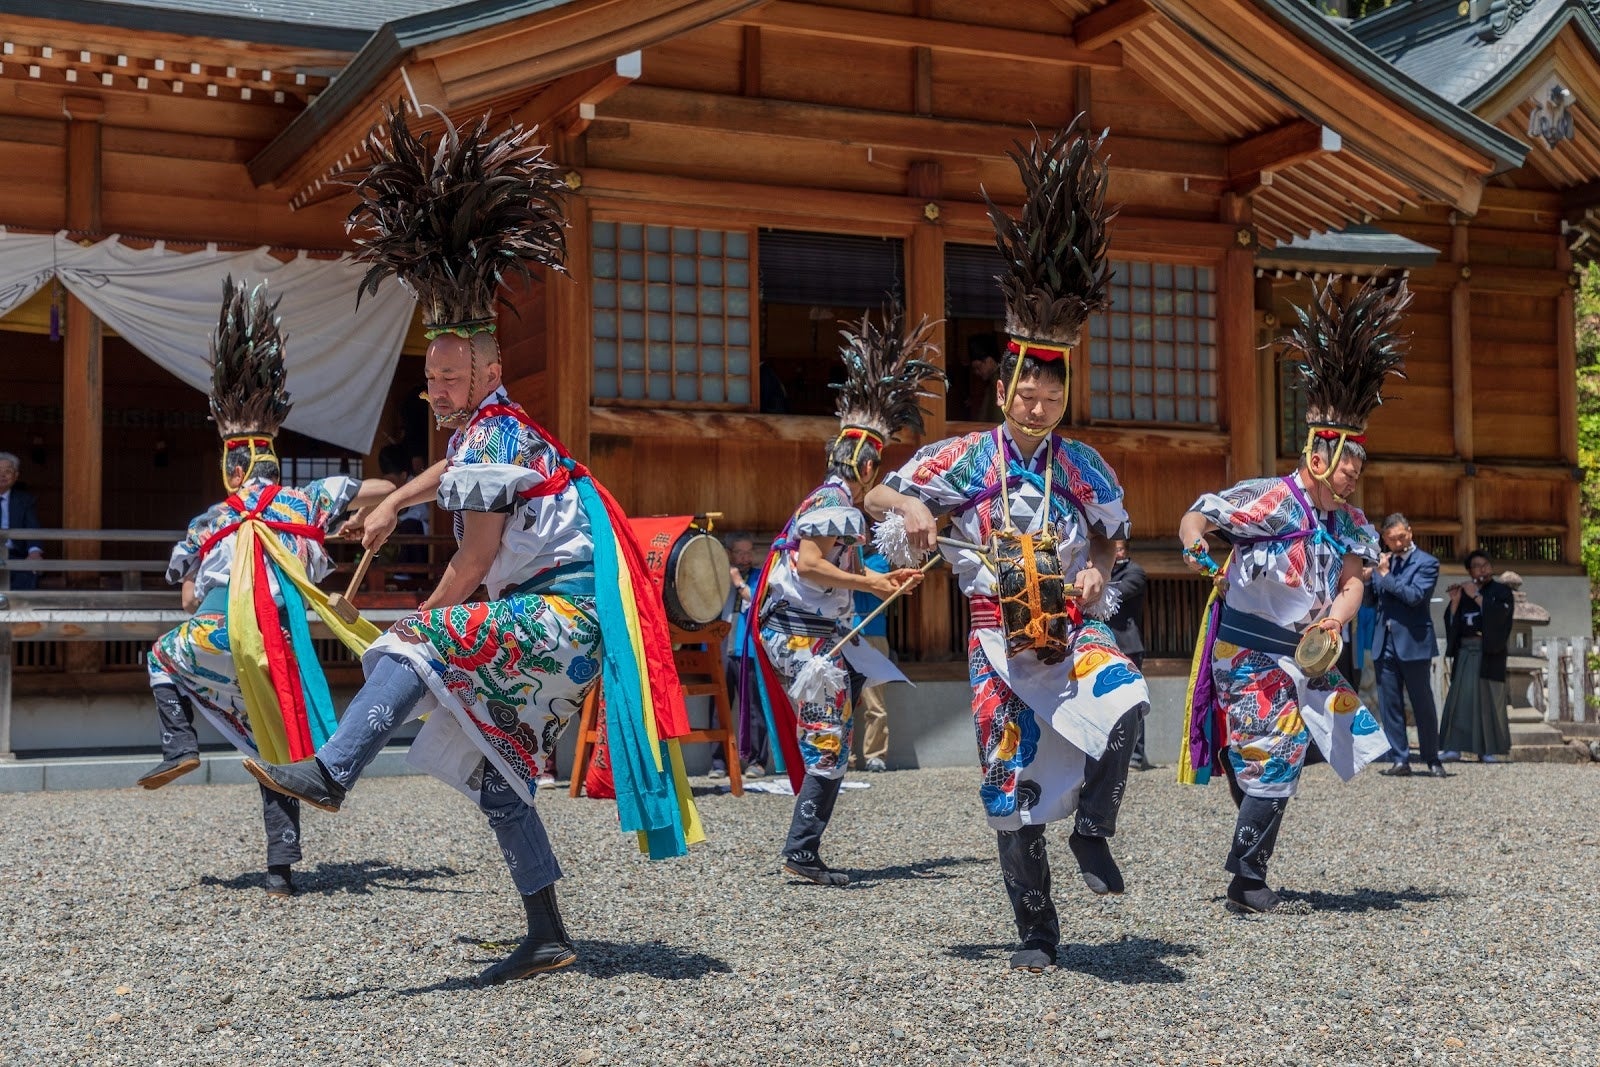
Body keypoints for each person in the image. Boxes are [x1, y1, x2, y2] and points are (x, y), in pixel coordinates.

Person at [245, 106, 700, 983]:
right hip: (556, 617)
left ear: (491, 373)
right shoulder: (489, 433)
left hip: (563, 614)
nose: (439, 384)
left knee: (417, 639)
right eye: (431, 374)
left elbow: (476, 561)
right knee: (492, 767)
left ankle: (334, 770)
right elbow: (447, 470)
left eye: (454, 373)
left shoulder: (491, 441)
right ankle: (549, 933)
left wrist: (417, 630)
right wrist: (391, 508)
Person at [866, 122, 1150, 972]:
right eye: (1027, 388)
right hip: (996, 635)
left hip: (1068, 621)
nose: (1039, 400)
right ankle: (1037, 932)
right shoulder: (962, 457)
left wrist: (1102, 564)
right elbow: (875, 488)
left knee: (1129, 700)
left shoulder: (1087, 462)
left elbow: (1113, 526)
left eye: (1053, 388)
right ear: (1002, 389)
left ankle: (1095, 830)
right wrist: (911, 511)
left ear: (1066, 392)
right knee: (1008, 787)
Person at [137, 278, 395, 897]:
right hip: (278, 643)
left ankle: (179, 746)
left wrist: (200, 581)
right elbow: (381, 489)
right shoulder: (306, 501)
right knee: (272, 746)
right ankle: (281, 867)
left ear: (230, 461)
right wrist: (365, 516)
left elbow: (186, 591)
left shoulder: (213, 519)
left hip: (225, 631)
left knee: (162, 656)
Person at [1178, 275, 1404, 915]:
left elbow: (1356, 578)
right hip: (1247, 651)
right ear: (1317, 449)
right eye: (1347, 457)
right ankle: (1246, 880)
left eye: (1362, 459)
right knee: (1275, 752)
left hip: (1309, 654)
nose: (1357, 470)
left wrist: (1335, 617)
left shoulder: (1353, 523)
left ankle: (1246, 815)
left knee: (1321, 745)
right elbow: (1200, 515)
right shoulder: (1269, 501)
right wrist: (1198, 549)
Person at [745, 298, 941, 888]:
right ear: (865, 466)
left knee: (832, 734)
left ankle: (804, 849)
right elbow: (809, 565)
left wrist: (886, 578)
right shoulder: (835, 505)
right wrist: (869, 580)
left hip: (813, 631)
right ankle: (802, 852)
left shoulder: (834, 504)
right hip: (800, 632)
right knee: (829, 743)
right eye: (875, 471)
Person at [1367, 513, 1444, 777]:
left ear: (1410, 532)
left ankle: (1432, 758)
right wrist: (1366, 578)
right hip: (1383, 639)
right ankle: (1400, 758)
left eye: (1401, 536)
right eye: (1391, 539)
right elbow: (1372, 600)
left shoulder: (1427, 563)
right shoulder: (1382, 562)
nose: (1397, 542)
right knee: (1390, 704)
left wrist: (1385, 574)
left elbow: (1414, 596)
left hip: (1414, 641)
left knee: (1422, 702)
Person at [1438, 550, 1515, 762]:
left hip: (1489, 653)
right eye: (1477, 566)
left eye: (1485, 565)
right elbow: (1453, 623)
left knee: (1489, 702)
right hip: (1465, 653)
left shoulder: (1501, 591)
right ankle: (1453, 746)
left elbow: (1500, 617)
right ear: (1470, 571)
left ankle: (1487, 750)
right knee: (1460, 700)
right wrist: (1454, 602)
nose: (1482, 569)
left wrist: (1476, 596)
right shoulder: (1463, 592)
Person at [1106, 540, 1155, 771]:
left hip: (1128, 644)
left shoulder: (1134, 572)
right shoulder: (1106, 570)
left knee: (1133, 702)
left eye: (1119, 549)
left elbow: (1118, 592)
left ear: (1126, 551)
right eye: (1112, 549)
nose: (1116, 553)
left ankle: (1136, 754)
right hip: (1105, 643)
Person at [720, 530, 765, 778]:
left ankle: (757, 761)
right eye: (740, 552)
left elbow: (756, 601)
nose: (746, 557)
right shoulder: (719, 577)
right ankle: (719, 762)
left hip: (747, 647)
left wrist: (738, 582)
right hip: (720, 645)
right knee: (719, 707)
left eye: (749, 552)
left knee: (753, 707)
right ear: (730, 554)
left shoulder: (759, 577)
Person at [849, 549, 895, 773]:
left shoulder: (879, 560)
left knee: (874, 700)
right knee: (842, 699)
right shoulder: (839, 558)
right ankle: (842, 755)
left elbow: (880, 589)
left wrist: (855, 572)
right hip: (843, 631)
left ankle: (875, 755)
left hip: (873, 631)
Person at [0, 451, 44, 591]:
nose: (2, 475)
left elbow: (32, 528)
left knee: (28, 572)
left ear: (15, 476)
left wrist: (34, 552)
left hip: (15, 555)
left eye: (7, 471)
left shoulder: (25, 500)